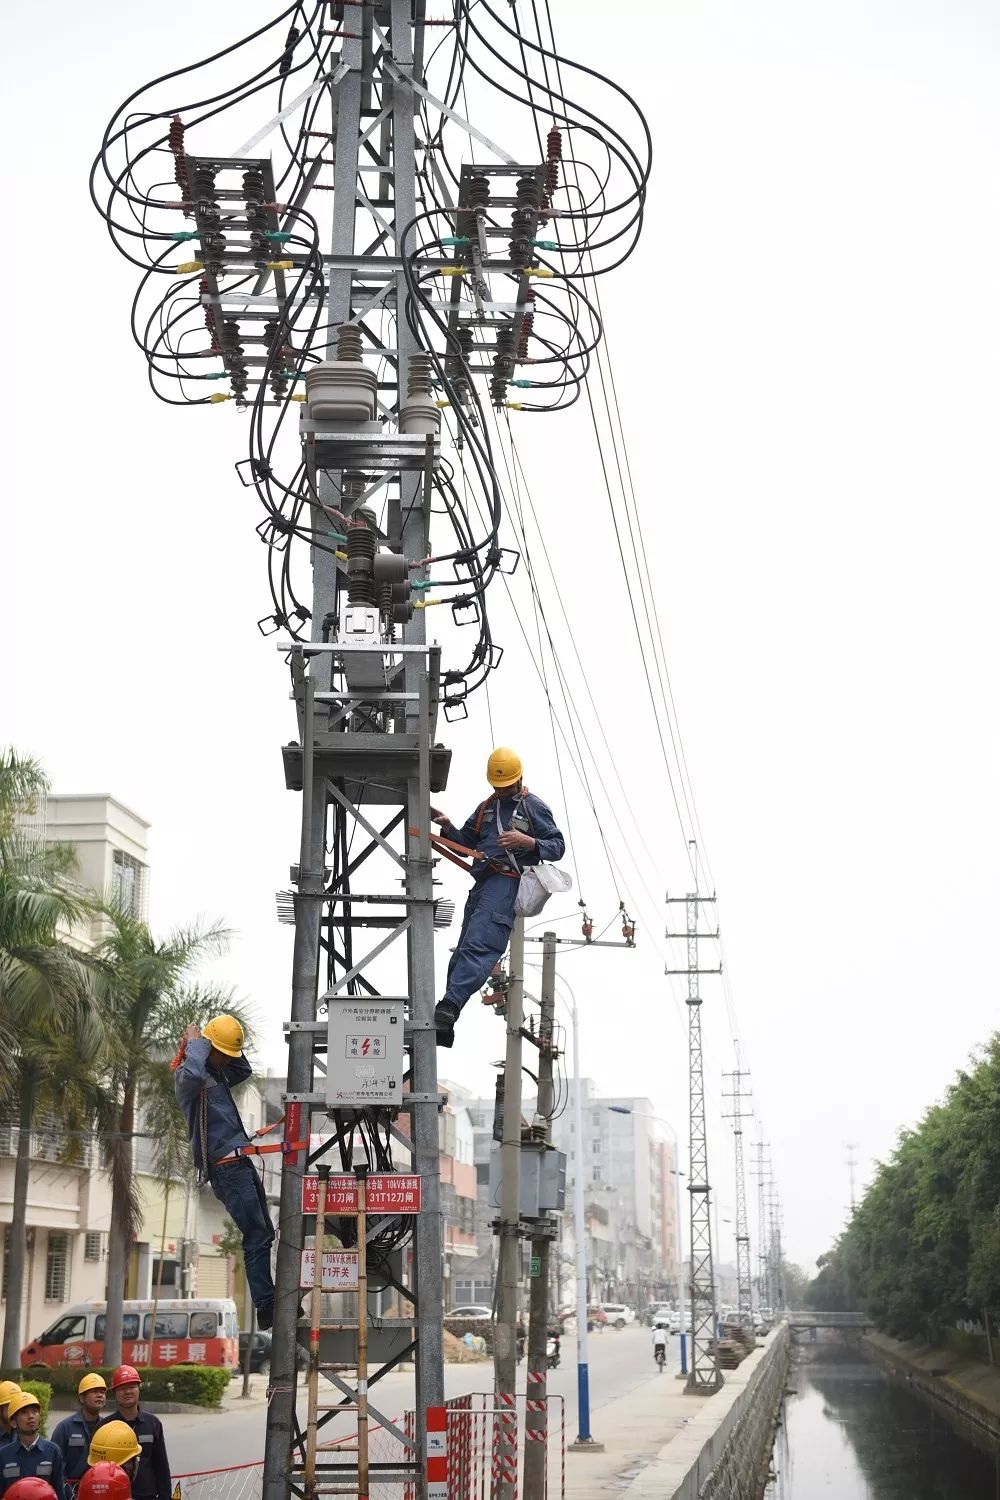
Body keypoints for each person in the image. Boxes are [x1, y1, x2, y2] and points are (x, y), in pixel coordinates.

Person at [431, 747, 565, 1047]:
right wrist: (447, 827)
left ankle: (449, 1008)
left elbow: (557, 846)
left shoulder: (533, 806)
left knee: (479, 945)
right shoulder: (487, 807)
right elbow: (465, 841)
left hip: (506, 883)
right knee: (465, 948)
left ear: (518, 780)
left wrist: (527, 841)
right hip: (483, 883)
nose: (502, 791)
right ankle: (446, 1018)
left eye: (506, 786)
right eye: (498, 786)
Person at [173, 1014, 277, 1328]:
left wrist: (222, 1048)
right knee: (257, 1234)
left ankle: (269, 1300)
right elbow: (191, 1072)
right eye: (222, 1053)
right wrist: (197, 1044)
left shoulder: (216, 1073)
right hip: (226, 1169)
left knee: (265, 1232)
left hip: (239, 1162)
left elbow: (243, 1069)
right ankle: (266, 1304)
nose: (226, 1060)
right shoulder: (189, 1079)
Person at [98, 1376, 168, 1500]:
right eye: (122, 1388)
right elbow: (98, 1467)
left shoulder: (153, 1423)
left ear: (139, 1389)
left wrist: (165, 1496)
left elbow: (161, 1465)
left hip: (148, 1496)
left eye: (132, 1387)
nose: (128, 1392)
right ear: (115, 1393)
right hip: (114, 1496)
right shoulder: (105, 1427)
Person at [0, 1393, 66, 1500]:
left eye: (34, 1411)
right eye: (24, 1413)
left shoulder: (53, 1451)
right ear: (13, 1422)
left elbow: (59, 1494)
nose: (31, 1416)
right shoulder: (3, 1455)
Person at [51, 1377, 107, 1492]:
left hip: (101, 1491)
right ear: (81, 1398)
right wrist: (67, 1492)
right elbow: (55, 1465)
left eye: (102, 1392)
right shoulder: (65, 1428)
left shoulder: (107, 1428)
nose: (100, 1395)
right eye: (94, 1391)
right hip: (72, 1492)